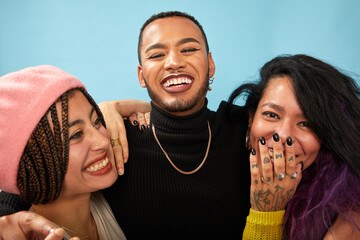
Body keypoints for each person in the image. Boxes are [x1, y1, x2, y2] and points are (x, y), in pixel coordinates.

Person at [0, 11, 251, 239]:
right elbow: (33, 166)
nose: (174, 62)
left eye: (188, 49)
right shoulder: (118, 146)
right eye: (157, 54)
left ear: (211, 64)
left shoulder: (245, 129)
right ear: (141, 75)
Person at [231, 55, 360, 239]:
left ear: (327, 136)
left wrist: (267, 211)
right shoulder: (219, 169)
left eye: (306, 124)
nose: (283, 135)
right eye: (271, 114)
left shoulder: (349, 213)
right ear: (251, 119)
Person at [0, 65, 126, 239]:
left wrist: (113, 107)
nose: (104, 142)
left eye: (96, 121)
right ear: (31, 162)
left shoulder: (116, 198)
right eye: (76, 135)